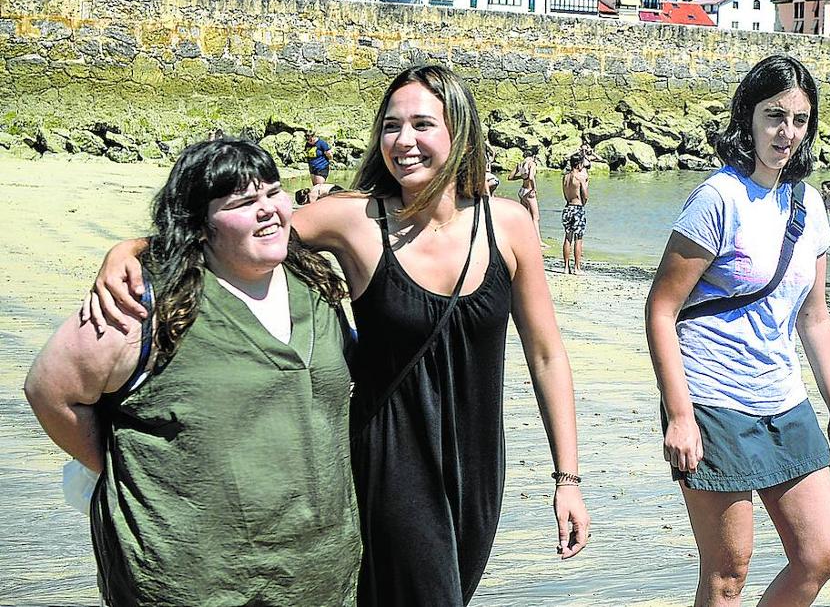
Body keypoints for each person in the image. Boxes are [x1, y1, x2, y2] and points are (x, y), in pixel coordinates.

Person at [87, 66, 590, 607]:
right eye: (391, 126)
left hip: (478, 463)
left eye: (423, 124)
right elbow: (249, 233)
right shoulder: (355, 220)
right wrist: (134, 249)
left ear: (459, 133)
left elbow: (545, 354)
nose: (404, 141)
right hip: (390, 455)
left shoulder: (509, 224)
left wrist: (568, 478)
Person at [29, 138, 361, 606]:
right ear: (200, 225)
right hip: (187, 579)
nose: (267, 209)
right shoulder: (143, 302)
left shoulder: (316, 285)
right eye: (244, 202)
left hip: (316, 575)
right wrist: (126, 474)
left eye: (272, 191)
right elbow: (51, 392)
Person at [645, 55, 830, 607]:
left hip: (783, 399)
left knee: (821, 553)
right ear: (748, 119)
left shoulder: (810, 205)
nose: (787, 133)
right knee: (727, 574)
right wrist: (680, 415)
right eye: (774, 116)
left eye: (800, 120)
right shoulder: (719, 198)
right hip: (712, 399)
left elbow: (814, 317)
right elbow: (660, 310)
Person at [561, 153, 590, 275]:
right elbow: (586, 196)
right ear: (578, 164)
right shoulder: (579, 178)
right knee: (578, 238)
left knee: (568, 237)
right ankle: (577, 267)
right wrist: (583, 202)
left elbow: (565, 195)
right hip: (577, 208)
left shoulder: (565, 177)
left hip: (567, 208)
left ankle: (566, 267)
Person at [509, 151, 541, 237]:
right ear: (533, 156)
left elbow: (510, 177)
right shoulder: (532, 164)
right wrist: (534, 188)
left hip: (522, 191)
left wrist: (521, 177)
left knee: (524, 216)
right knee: (535, 217)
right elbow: (531, 177)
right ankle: (538, 241)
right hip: (529, 191)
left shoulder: (520, 164)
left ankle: (523, 236)